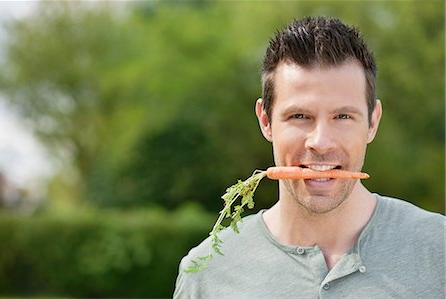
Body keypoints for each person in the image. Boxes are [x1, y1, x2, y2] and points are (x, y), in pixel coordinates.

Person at [173, 16, 445, 298]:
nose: (320, 142)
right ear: (266, 121)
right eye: (299, 116)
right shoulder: (208, 273)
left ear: (372, 122)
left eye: (343, 116)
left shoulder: (438, 250)